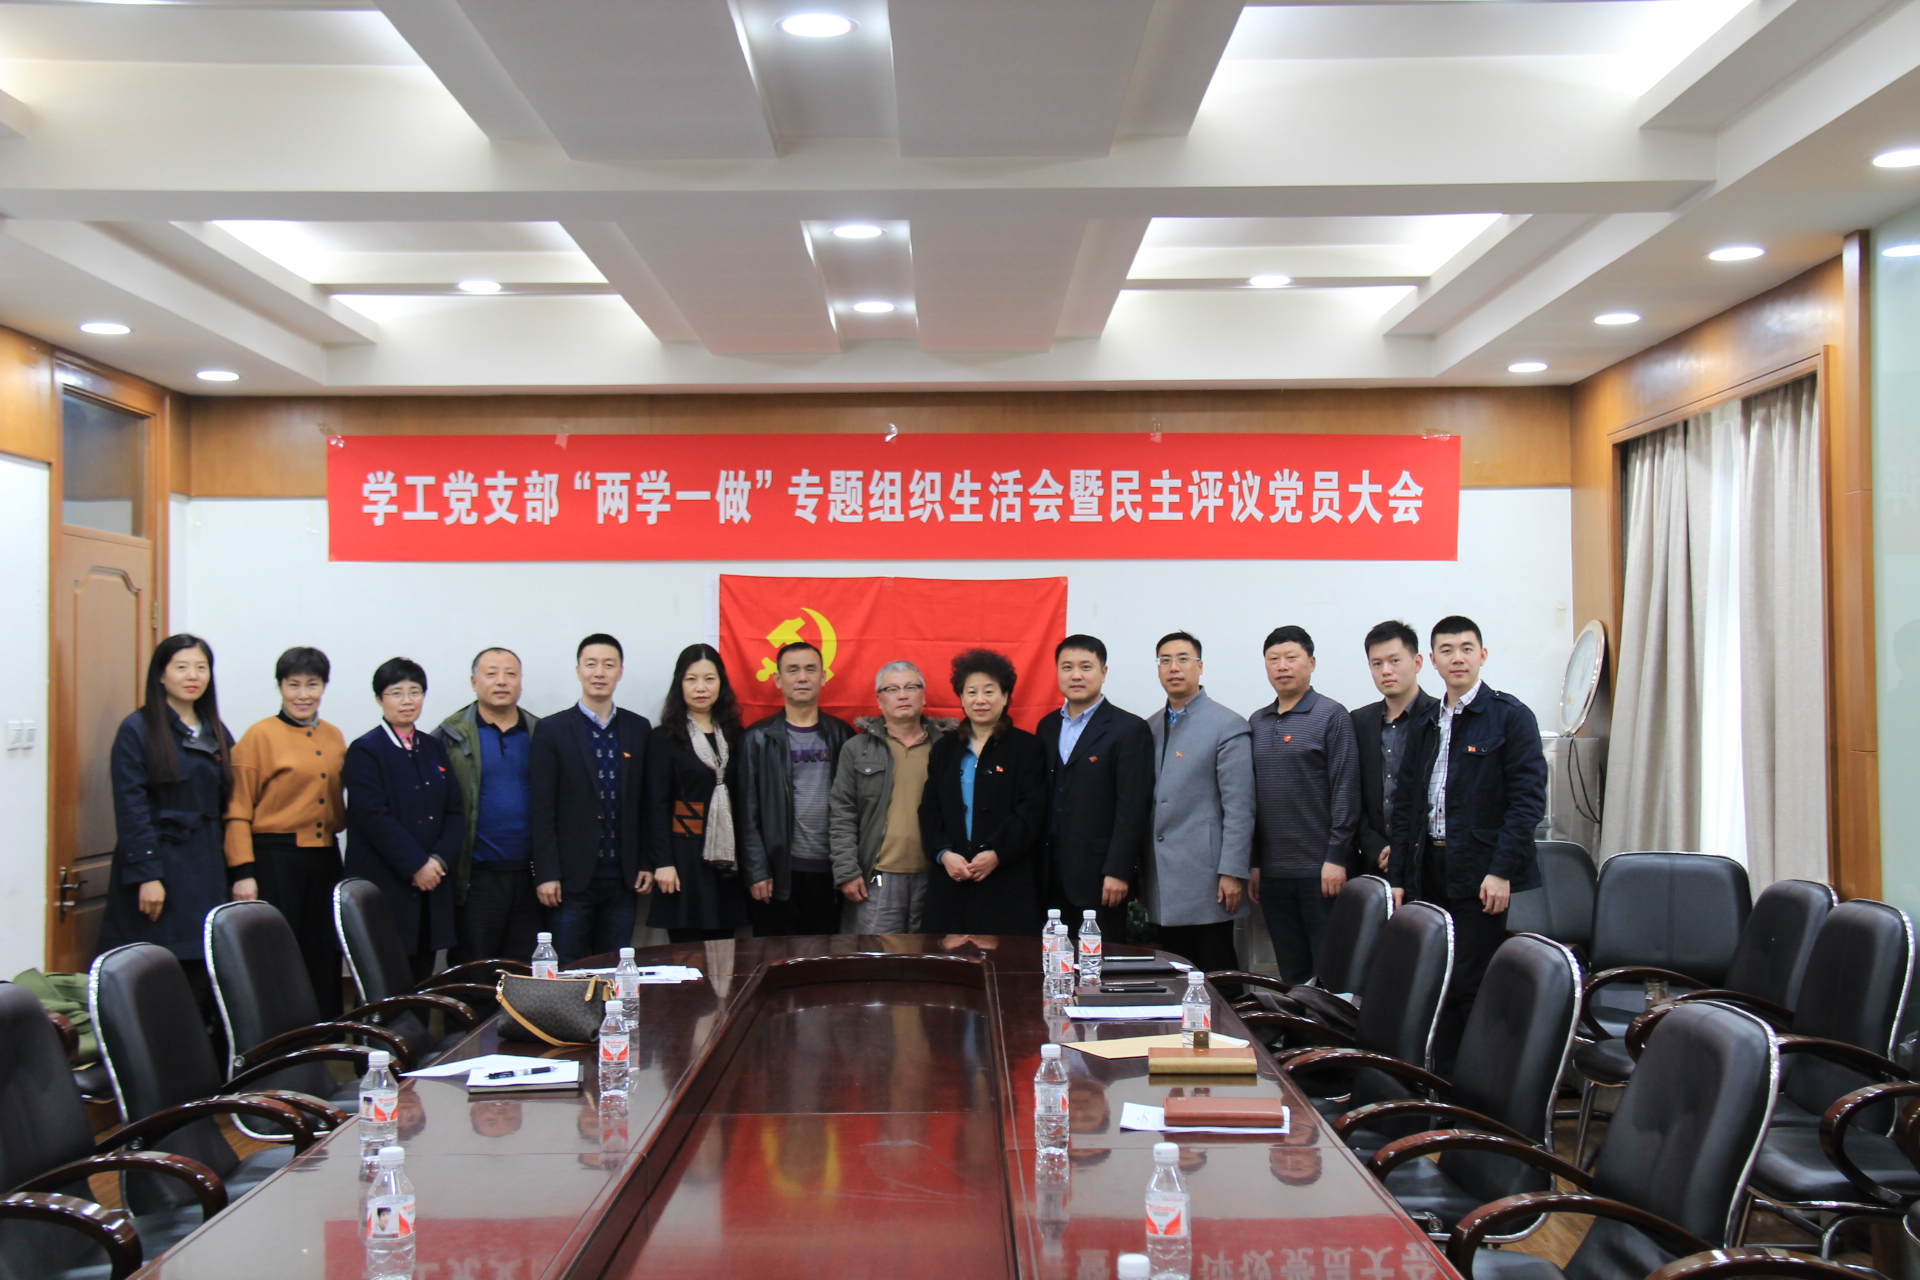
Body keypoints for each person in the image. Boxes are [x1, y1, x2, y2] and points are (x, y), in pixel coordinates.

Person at [1389, 615, 1548, 1074]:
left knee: (1472, 982)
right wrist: (1398, 877)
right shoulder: (1425, 722)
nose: (1457, 658)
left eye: (1466, 648)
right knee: (1432, 978)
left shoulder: (1510, 716)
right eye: (1447, 650)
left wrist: (1501, 871)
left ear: (1482, 655)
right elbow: (1405, 806)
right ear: (1432, 661)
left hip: (1481, 873)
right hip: (1428, 869)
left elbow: (1526, 803)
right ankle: (1435, 1079)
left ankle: (1477, 1084)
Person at [101, 634, 236, 1018]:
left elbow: (231, 800)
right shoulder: (137, 729)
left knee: (204, 968)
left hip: (207, 864)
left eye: (201, 667)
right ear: (161, 675)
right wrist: (147, 874)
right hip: (161, 864)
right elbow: (131, 806)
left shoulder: (214, 729)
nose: (193, 676)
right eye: (181, 667)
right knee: (160, 970)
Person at [225, 645, 348, 1015]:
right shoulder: (259, 736)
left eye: (312, 684)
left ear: (324, 687)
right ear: (280, 687)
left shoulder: (334, 736)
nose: (303, 694)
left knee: (324, 951)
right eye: (293, 685)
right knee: (277, 951)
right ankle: (282, 1035)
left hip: (325, 858)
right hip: (275, 858)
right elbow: (236, 810)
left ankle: (326, 1031)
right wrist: (243, 872)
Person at [1247, 625, 1361, 985]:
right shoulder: (1257, 722)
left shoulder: (1332, 715)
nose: (1282, 666)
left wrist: (1337, 856)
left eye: (1291, 657)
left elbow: (1345, 788)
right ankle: (1297, 1025)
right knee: (1291, 973)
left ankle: (1328, 1025)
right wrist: (1254, 863)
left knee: (1327, 974)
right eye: (1273, 659)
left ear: (1311, 663)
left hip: (1321, 872)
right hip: (1273, 874)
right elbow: (1250, 799)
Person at [531, 634, 652, 967]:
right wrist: (546, 873)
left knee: (615, 969)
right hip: (570, 880)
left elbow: (646, 804)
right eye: (591, 664)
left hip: (623, 877)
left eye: (608, 665)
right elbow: (541, 808)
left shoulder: (638, 729)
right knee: (569, 969)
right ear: (578, 670)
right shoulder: (552, 729)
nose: (599, 672)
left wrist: (645, 861)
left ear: (620, 672)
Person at [343, 657, 463, 983]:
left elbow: (455, 811)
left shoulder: (434, 748)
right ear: (379, 699)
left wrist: (438, 861)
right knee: (386, 979)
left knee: (423, 978)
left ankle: (420, 1022)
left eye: (415, 692)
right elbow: (374, 817)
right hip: (386, 884)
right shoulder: (366, 750)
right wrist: (416, 866)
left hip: (432, 883)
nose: (407, 701)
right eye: (396, 693)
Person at [1141, 631, 1254, 976]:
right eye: (1165, 661)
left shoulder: (1227, 725)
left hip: (1208, 878)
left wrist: (1232, 872)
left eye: (1183, 659)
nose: (1174, 668)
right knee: (1174, 974)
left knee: (1217, 974)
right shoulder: (1149, 727)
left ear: (1200, 666)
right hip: (1162, 876)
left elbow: (1240, 808)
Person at [918, 649, 1047, 937]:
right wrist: (944, 854)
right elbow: (930, 808)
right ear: (961, 698)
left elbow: (1032, 810)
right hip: (952, 876)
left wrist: (998, 852)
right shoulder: (945, 749)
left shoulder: (1028, 748)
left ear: (1005, 696)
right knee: (947, 958)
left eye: (989, 691)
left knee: (1005, 959)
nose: (980, 700)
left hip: (1007, 877)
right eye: (971, 692)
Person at [1033, 634, 1153, 942]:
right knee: (1052, 959)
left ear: (1103, 672)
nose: (1076, 675)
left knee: (1099, 962)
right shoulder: (1047, 726)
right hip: (1049, 875)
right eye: (1067, 667)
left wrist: (1119, 870)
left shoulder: (1128, 729)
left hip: (1100, 876)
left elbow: (1133, 808)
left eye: (1086, 667)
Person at [739, 641, 855, 937]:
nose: (802, 677)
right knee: (774, 957)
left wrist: (849, 867)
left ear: (823, 677)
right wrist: (757, 870)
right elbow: (747, 812)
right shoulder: (758, 738)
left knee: (822, 958)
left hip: (830, 872)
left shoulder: (842, 735)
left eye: (810, 669)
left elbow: (854, 805)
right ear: (778, 679)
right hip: (778, 873)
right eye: (793, 670)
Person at [436, 647, 543, 965]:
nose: (501, 681)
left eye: (510, 674)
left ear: (521, 681)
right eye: (491, 673)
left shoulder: (541, 733)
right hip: (475, 878)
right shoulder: (450, 736)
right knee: (474, 969)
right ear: (474, 682)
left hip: (531, 878)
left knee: (524, 971)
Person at [829, 660, 950, 934]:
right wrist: (847, 871)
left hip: (936, 876)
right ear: (879, 700)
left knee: (930, 955)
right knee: (878, 957)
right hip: (877, 878)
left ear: (924, 695)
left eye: (911, 687)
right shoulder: (857, 749)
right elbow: (842, 813)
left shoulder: (946, 747)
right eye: (892, 689)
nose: (903, 695)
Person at [645, 644, 749, 943]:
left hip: (727, 860)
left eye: (709, 679)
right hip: (682, 858)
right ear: (679, 684)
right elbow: (655, 804)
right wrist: (663, 862)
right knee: (685, 954)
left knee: (724, 954)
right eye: (691, 679)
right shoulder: (664, 737)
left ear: (721, 683)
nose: (700, 688)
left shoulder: (736, 736)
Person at [1351, 620, 1438, 877]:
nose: (1386, 671)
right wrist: (1375, 847)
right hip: (1375, 860)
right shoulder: (1358, 721)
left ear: (1417, 662)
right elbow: (1350, 794)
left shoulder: (1439, 718)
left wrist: (1409, 847)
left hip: (1428, 860)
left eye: (1395, 661)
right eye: (1377, 664)